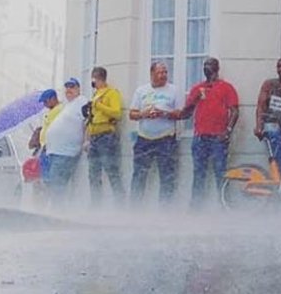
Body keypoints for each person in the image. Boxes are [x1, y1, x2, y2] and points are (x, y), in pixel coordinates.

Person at [173, 57, 239, 209]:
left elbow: (235, 111)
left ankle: (225, 206)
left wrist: (228, 131)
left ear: (217, 68)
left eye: (210, 65)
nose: (207, 68)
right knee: (199, 174)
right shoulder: (197, 88)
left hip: (218, 138)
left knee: (220, 173)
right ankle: (196, 208)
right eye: (205, 65)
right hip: (200, 138)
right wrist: (194, 99)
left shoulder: (226, 87)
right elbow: (185, 114)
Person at [128, 61, 181, 205]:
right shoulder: (141, 90)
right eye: (160, 72)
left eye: (165, 72)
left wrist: (164, 113)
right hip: (144, 139)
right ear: (152, 74)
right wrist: (144, 114)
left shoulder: (173, 90)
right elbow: (132, 114)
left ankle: (165, 209)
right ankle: (134, 208)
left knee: (167, 176)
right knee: (139, 175)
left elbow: (180, 113)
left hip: (166, 139)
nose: (163, 75)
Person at [42, 78, 87, 204]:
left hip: (66, 152)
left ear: (78, 89)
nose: (68, 90)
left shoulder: (82, 103)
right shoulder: (69, 105)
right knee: (54, 185)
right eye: (67, 87)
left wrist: (87, 141)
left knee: (57, 185)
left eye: (72, 87)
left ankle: (56, 215)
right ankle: (57, 211)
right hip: (56, 151)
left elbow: (88, 122)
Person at [85, 66, 124, 207]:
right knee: (93, 173)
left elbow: (117, 113)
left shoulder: (111, 93)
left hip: (106, 136)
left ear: (98, 79)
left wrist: (99, 105)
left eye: (94, 79)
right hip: (94, 136)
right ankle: (95, 204)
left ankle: (120, 204)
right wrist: (87, 139)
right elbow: (91, 118)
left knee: (111, 170)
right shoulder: (95, 94)